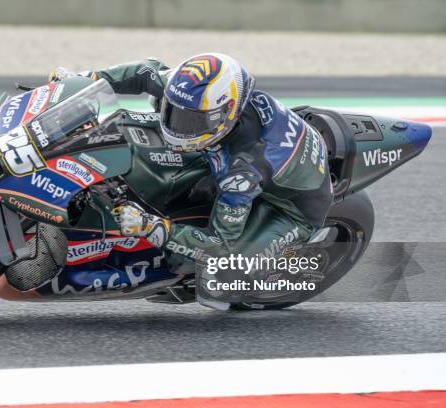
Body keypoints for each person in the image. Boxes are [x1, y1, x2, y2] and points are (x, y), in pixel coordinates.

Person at [49, 53, 333, 309]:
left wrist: (150, 226)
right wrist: (87, 79)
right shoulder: (196, 94)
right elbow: (145, 72)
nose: (179, 126)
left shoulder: (241, 171)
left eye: (192, 121)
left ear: (227, 112)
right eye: (175, 112)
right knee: (129, 133)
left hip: (290, 209)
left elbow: (220, 244)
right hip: (244, 158)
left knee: (217, 281)